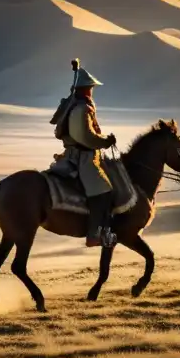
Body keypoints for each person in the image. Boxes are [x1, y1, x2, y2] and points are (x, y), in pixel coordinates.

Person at [60, 67, 118, 247]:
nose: (92, 91)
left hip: (73, 154)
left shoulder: (73, 105)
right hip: (83, 158)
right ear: (86, 89)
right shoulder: (82, 108)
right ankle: (93, 234)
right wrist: (105, 141)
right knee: (103, 189)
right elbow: (86, 137)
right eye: (91, 87)